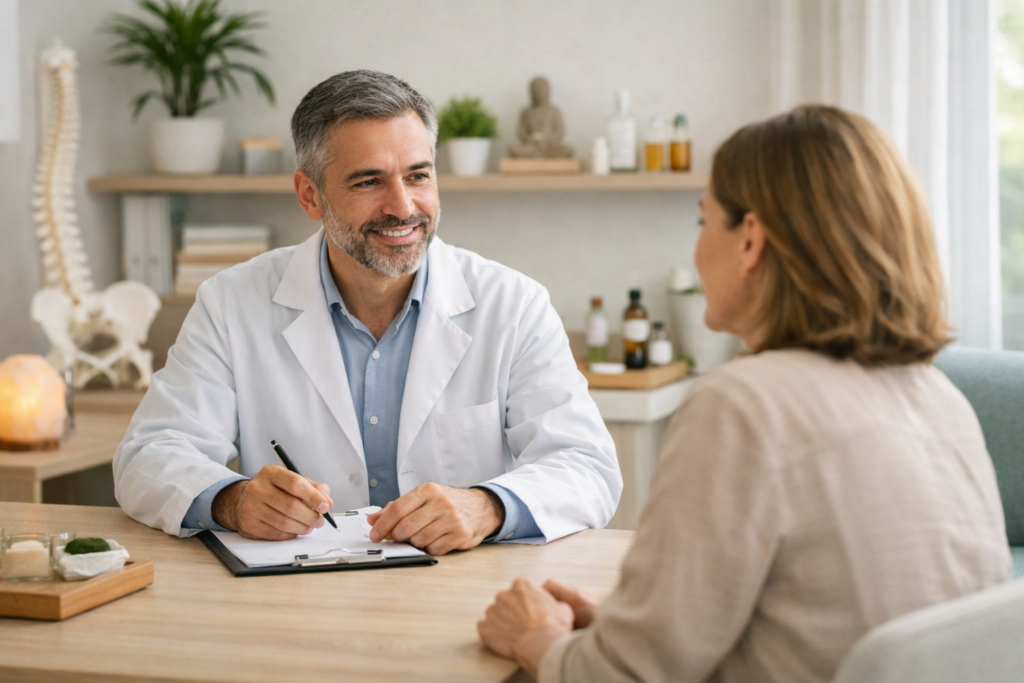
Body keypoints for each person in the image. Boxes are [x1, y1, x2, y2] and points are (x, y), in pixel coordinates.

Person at [477, 105, 1012, 681]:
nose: (698, 251)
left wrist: (539, 639)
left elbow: (622, 679)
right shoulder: (937, 395)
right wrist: (621, 626)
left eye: (704, 222)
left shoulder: (743, 405)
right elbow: (824, 618)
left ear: (750, 241)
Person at [113, 70, 622, 555]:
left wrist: (487, 506)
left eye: (418, 175)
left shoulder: (514, 304)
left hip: (462, 594)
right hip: (298, 598)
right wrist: (231, 500)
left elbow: (586, 466)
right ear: (310, 195)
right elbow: (149, 456)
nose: (402, 207)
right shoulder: (231, 303)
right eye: (368, 182)